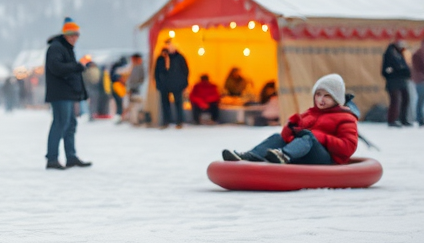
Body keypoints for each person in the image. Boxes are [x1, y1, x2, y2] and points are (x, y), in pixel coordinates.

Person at [222, 74, 358, 164]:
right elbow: (286, 138)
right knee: (277, 137)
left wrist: (321, 138)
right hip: (302, 153)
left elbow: (348, 147)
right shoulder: (310, 113)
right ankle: (249, 156)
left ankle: (284, 156)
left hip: (326, 159)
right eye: (318, 94)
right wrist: (290, 128)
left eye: (327, 96)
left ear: (337, 98)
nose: (320, 100)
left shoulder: (345, 118)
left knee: (308, 136)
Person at [44, 17, 91, 170]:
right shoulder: (57, 48)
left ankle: (71, 157)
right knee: (60, 123)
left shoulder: (66, 48)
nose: (74, 38)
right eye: (71, 35)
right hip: (60, 94)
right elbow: (56, 67)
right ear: (65, 35)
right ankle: (52, 158)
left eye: (76, 35)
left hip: (67, 93)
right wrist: (76, 67)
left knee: (70, 124)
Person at [154, 41, 189, 129]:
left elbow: (185, 71)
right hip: (164, 85)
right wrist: (158, 83)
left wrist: (183, 83)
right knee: (165, 104)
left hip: (177, 84)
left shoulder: (179, 58)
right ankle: (166, 121)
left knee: (178, 103)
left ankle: (179, 121)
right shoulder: (161, 59)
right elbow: (156, 72)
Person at [381, 39, 412, 127]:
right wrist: (398, 73)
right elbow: (386, 71)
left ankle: (403, 119)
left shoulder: (400, 54)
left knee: (405, 99)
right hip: (393, 82)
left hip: (402, 81)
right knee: (395, 102)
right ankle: (392, 120)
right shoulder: (390, 54)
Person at [120, 53, 145, 124]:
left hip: (136, 90)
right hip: (132, 89)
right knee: (129, 105)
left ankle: (136, 120)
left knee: (136, 106)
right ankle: (131, 119)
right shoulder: (133, 67)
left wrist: (133, 87)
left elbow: (139, 79)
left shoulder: (140, 67)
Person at [412, 40, 424, 127]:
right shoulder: (417, 54)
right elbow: (417, 69)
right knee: (420, 100)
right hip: (420, 81)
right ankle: (419, 118)